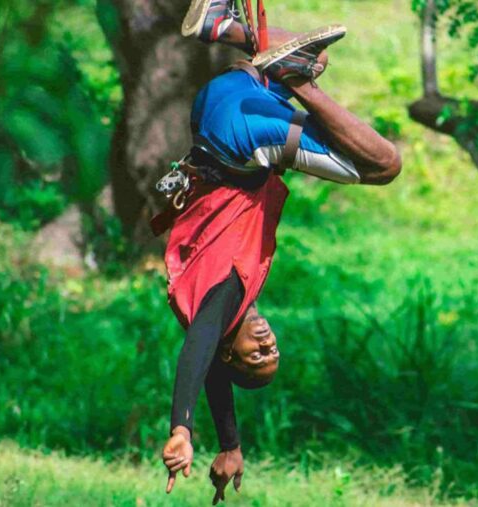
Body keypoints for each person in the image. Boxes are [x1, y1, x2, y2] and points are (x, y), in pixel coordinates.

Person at [158, 0, 402, 502]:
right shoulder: (217, 307)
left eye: (257, 356)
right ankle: (222, 27)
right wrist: (230, 444)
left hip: (239, 137)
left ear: (230, 349)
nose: (269, 345)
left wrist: (181, 429)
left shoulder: (224, 299)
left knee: (383, 164)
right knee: (315, 57)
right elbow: (215, 375)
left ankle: (296, 80)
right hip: (216, 106)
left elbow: (199, 355)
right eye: (274, 353)